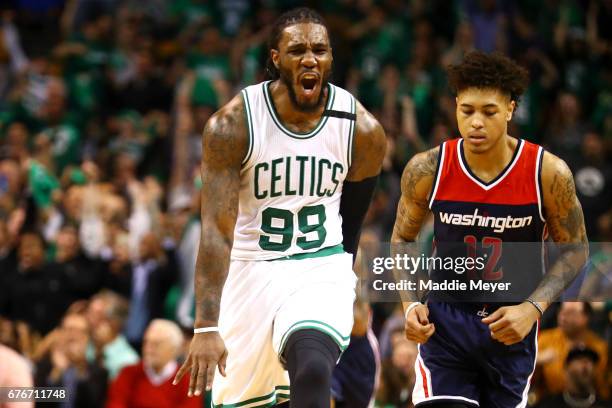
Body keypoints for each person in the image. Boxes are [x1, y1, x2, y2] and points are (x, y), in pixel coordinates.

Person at [172, 7, 386, 408]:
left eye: (320, 50)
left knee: (313, 368)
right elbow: (217, 230)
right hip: (250, 267)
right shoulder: (233, 125)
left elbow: (351, 222)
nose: (310, 59)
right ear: (275, 59)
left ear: (331, 59)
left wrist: (343, 280)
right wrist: (206, 326)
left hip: (318, 264)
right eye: (297, 50)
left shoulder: (363, 130)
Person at [392, 50, 589, 408]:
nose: (476, 122)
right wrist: (408, 306)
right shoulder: (428, 169)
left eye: (489, 111)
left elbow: (576, 249)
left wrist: (532, 309)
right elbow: (402, 239)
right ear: (455, 106)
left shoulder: (547, 173)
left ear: (511, 109)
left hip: (511, 330)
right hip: (446, 326)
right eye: (467, 111)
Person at [106, 319, 201, 408]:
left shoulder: (186, 382)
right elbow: (116, 403)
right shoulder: (128, 373)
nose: (148, 349)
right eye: (146, 343)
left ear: (173, 349)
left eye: (156, 344)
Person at [536, 302, 609, 399]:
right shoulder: (545, 339)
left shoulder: (599, 347)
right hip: (550, 400)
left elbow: (602, 386)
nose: (563, 317)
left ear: (585, 317)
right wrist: (537, 359)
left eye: (571, 313)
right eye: (561, 311)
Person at [534, 346, 612, 408]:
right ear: (566, 368)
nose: (585, 364)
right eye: (579, 359)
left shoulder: (604, 405)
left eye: (590, 360)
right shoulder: (549, 404)